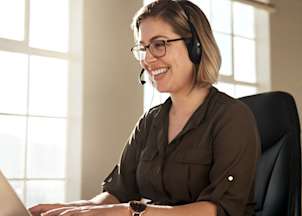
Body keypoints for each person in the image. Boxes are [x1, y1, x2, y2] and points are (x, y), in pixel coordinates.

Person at [29, 0, 260, 215]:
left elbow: (220, 209)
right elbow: (118, 192)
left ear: (196, 47)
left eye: (159, 45)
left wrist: (133, 212)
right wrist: (71, 208)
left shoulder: (232, 117)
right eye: (143, 48)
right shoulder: (151, 121)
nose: (147, 59)